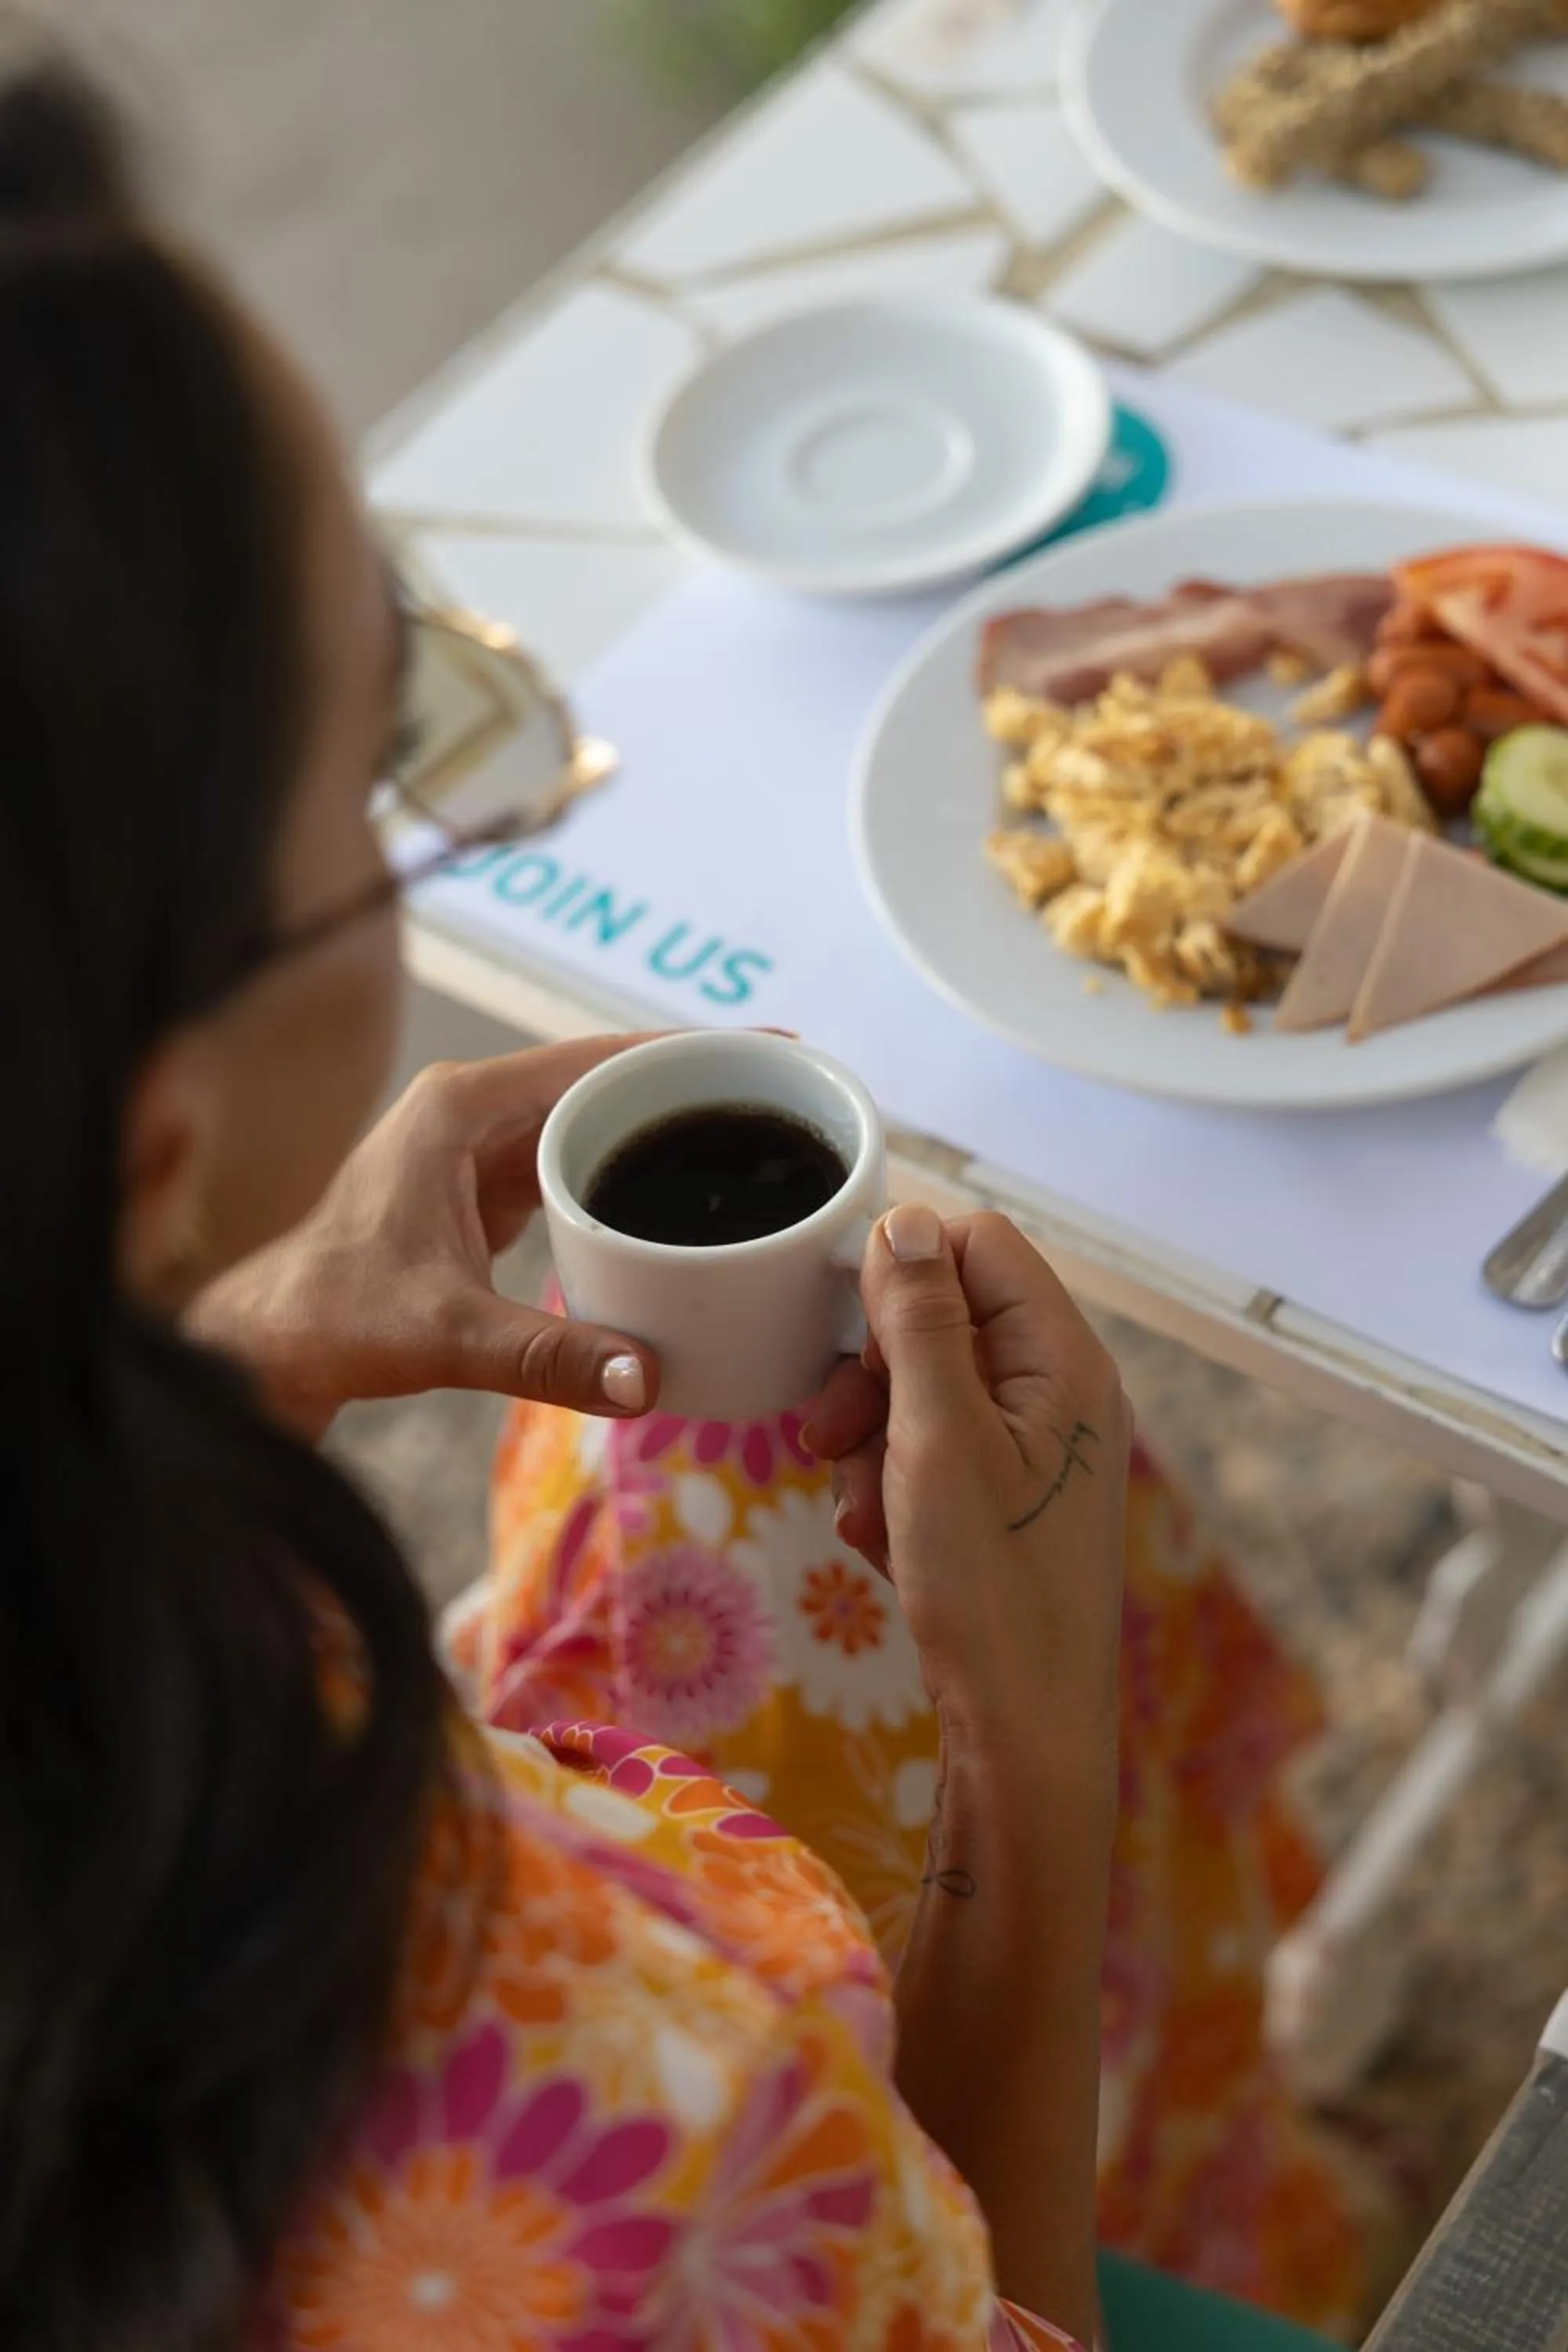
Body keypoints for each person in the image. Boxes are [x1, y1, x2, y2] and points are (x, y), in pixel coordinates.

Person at [0, 40, 1140, 2350]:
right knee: (1022, 1552)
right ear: (149, 1142)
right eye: (387, 753)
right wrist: (1039, 1761)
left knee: (687, 1502)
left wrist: (242, 1362)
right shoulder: (640, 2142)